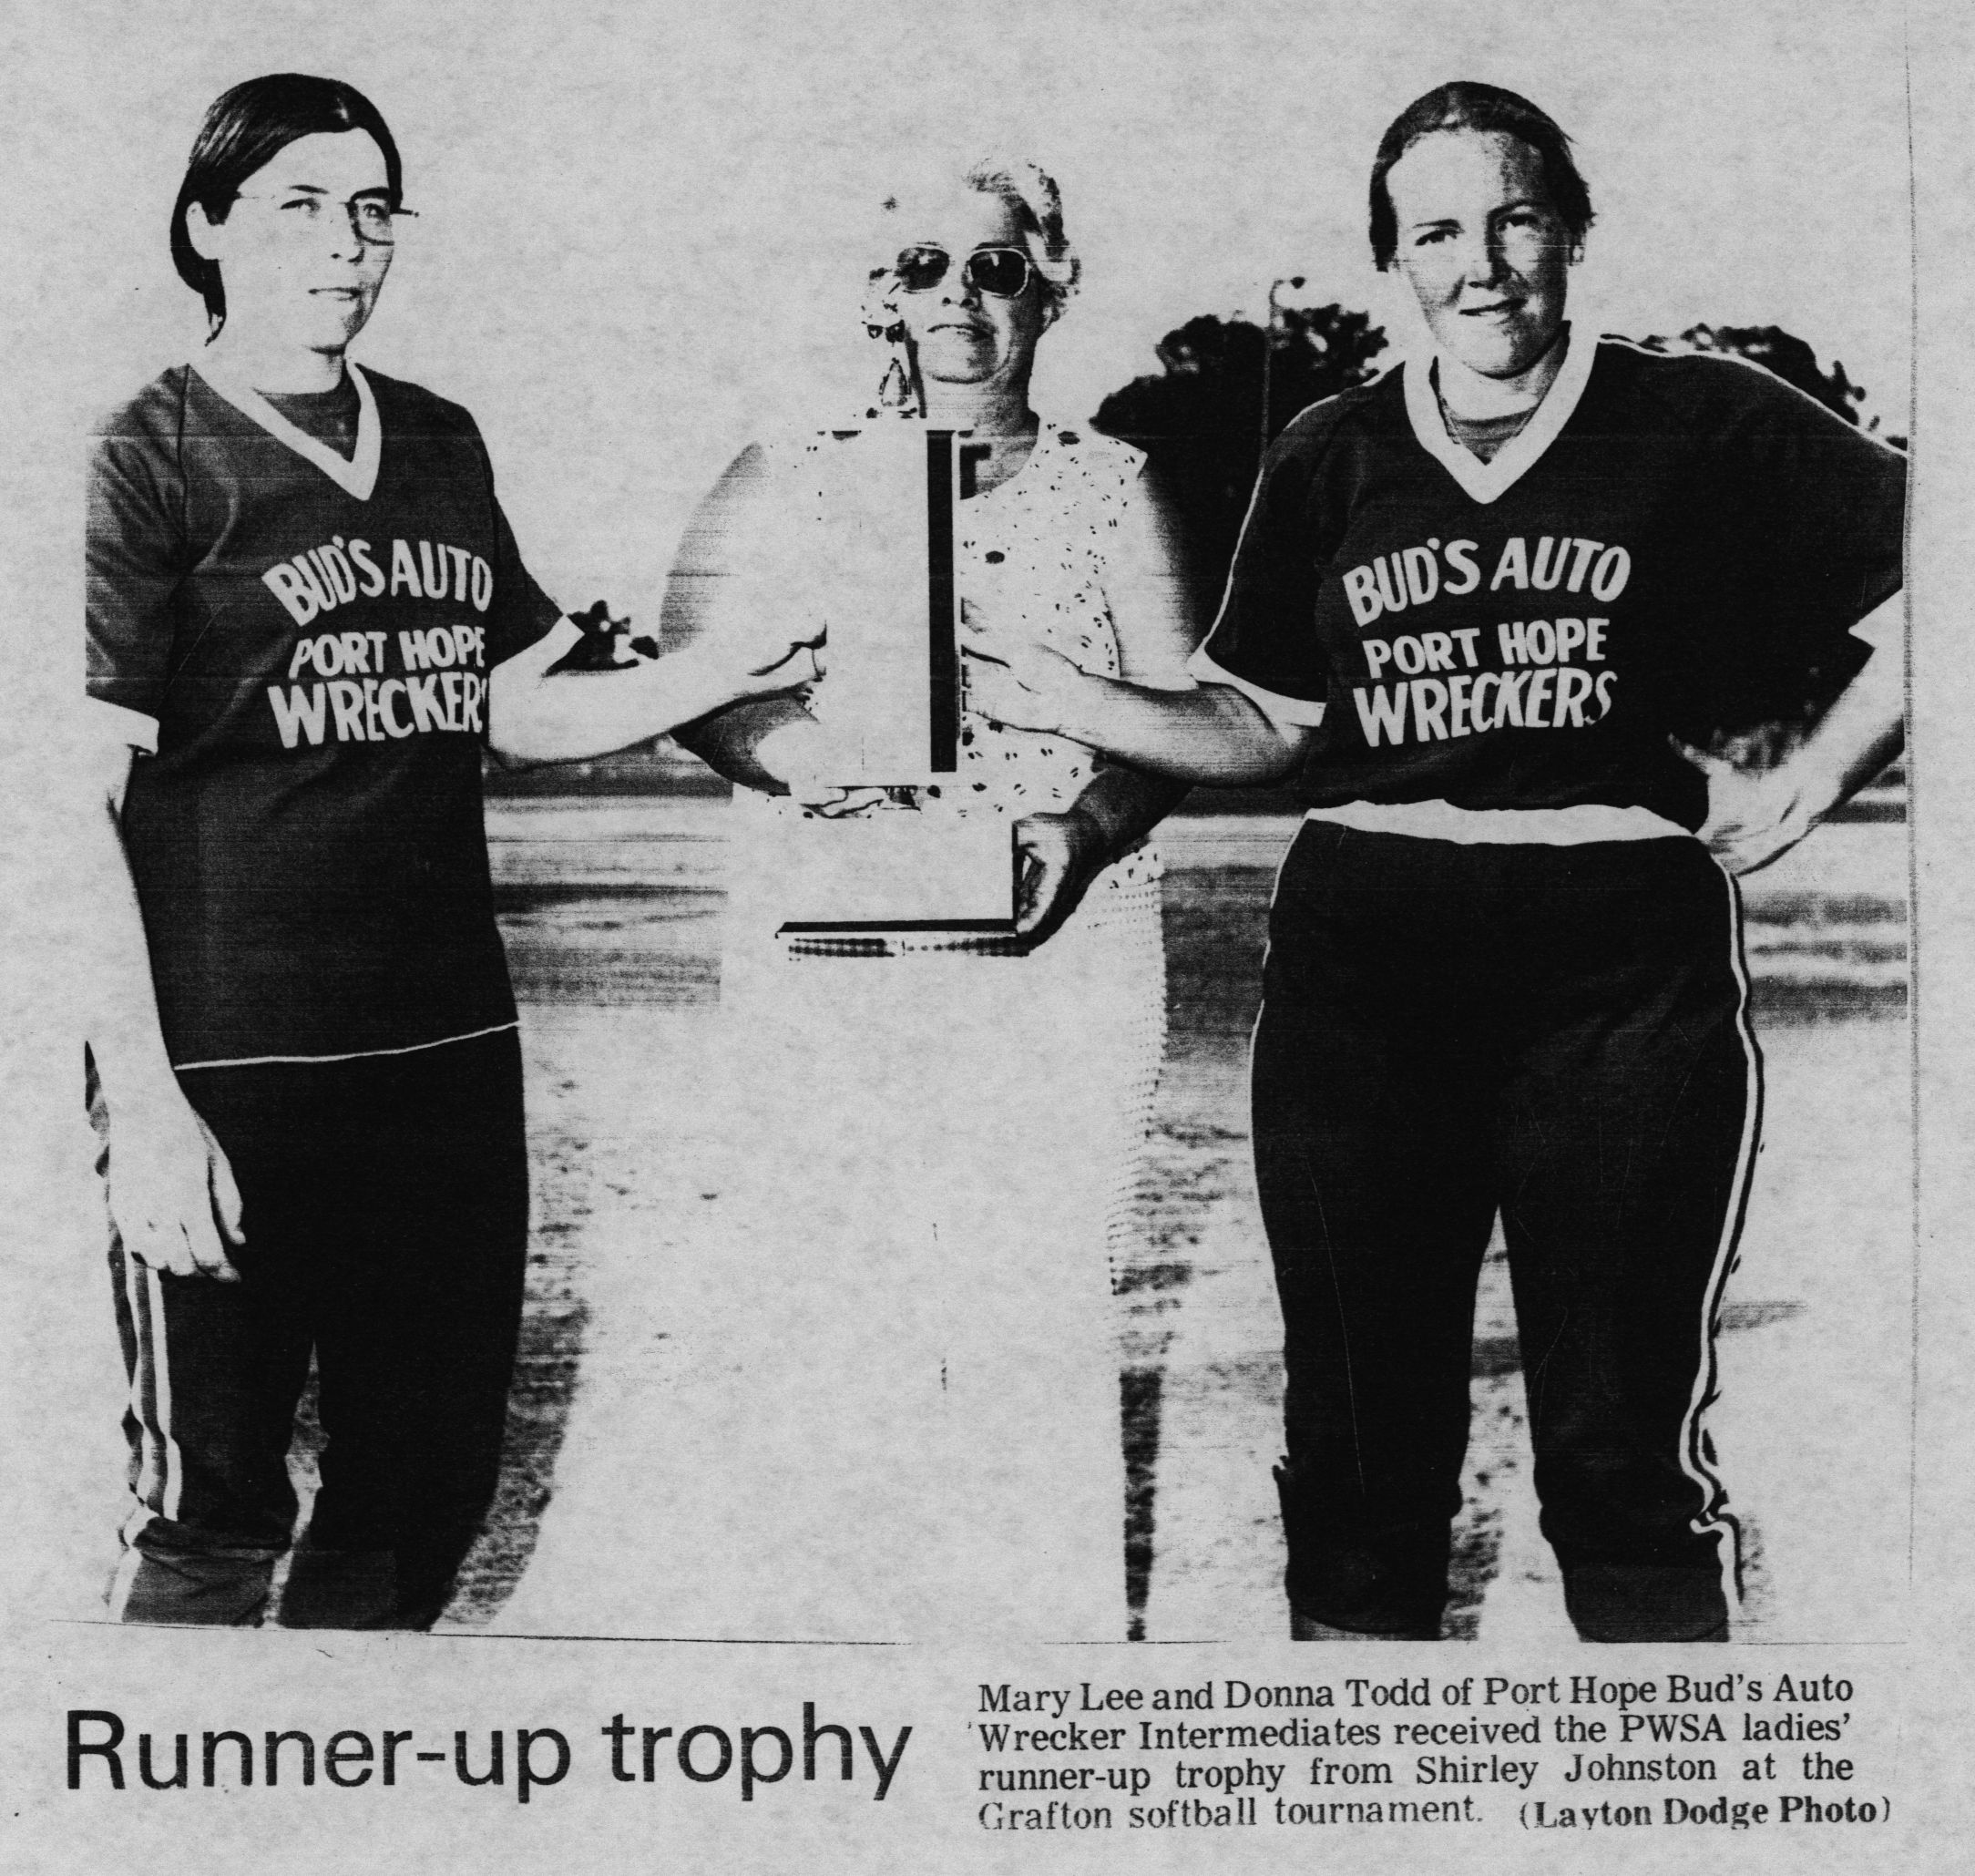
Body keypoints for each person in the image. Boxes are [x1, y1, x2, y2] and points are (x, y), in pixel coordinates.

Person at [962, 82, 1906, 1643]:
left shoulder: (1700, 411)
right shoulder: (1333, 446)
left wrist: (1816, 773)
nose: (1483, 263)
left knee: (1616, 1455)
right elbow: (1266, 721)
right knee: (1354, 1463)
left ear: (1575, 230)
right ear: (1394, 260)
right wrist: (1073, 700)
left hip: (1617, 966)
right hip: (1363, 967)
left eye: (1518, 218)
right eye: (1438, 232)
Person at [85, 73, 815, 1628]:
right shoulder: (142, 456)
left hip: (445, 1049)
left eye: (372, 208)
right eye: (299, 206)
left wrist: (722, 666)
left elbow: (505, 707)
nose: (348, 243)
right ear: (207, 227)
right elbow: (61, 808)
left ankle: (337, 1800)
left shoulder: (434, 438)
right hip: (233, 1057)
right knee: (213, 1509)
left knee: (423, 1479)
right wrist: (143, 1105)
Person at [502, 159, 1199, 1640]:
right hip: (830, 938)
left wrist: (1081, 825)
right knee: (831, 1300)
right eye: (926, 268)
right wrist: (796, 751)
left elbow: (1180, 718)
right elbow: (692, 691)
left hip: (1055, 950)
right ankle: (831, 1672)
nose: (960, 298)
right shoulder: (786, 469)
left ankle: (1028, 1665)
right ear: (877, 293)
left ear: (1053, 286)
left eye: (998, 269)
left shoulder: (1115, 485)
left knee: (1027, 1316)